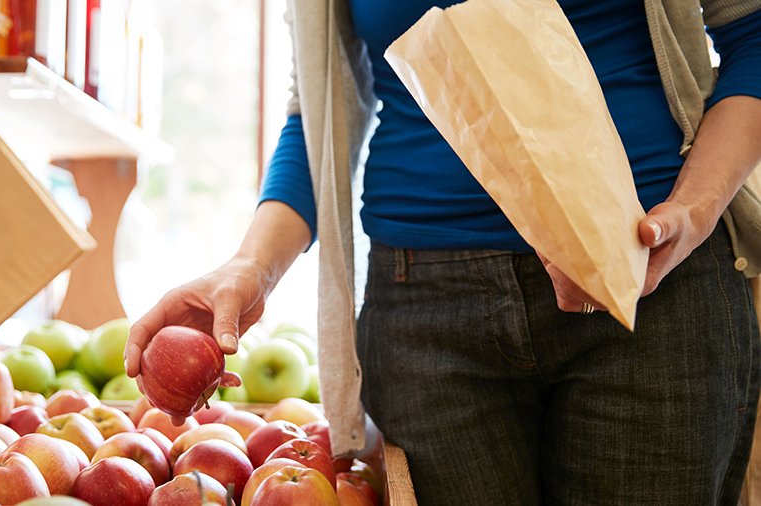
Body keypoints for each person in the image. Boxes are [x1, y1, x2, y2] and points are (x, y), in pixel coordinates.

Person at [126, 0, 761, 503]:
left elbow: (752, 34)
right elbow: (320, 113)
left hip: (653, 285)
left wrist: (697, 209)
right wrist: (251, 267)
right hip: (424, 316)